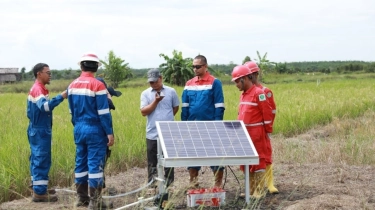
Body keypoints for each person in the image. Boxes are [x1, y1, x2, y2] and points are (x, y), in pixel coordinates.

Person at [67, 53, 114, 209]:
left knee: (80, 162)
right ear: (96, 67)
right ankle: (96, 202)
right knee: (95, 164)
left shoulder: (72, 85)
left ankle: (81, 198)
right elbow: (103, 112)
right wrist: (109, 132)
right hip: (95, 128)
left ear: (81, 66)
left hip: (79, 127)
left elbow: (71, 112)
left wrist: (78, 126)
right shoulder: (98, 85)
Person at [181, 55, 225, 188]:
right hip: (192, 127)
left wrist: (217, 126)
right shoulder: (189, 84)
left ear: (205, 66)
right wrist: (184, 126)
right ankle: (193, 182)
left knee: (215, 155)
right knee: (193, 156)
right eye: (193, 66)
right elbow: (185, 106)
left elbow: (219, 106)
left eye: (198, 66)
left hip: (210, 127)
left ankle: (217, 184)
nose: (195, 69)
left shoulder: (214, 82)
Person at [231, 65, 273, 198]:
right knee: (246, 162)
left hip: (256, 133)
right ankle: (250, 190)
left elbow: (267, 113)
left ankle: (259, 191)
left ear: (244, 78)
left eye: (237, 81)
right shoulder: (243, 95)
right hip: (244, 133)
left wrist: (266, 131)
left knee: (258, 160)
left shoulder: (259, 94)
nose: (236, 84)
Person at [27, 63, 67, 202]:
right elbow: (44, 107)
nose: (50, 75)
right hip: (39, 130)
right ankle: (39, 193)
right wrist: (61, 96)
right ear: (39, 74)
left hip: (37, 129)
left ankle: (38, 187)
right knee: (41, 159)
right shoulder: (38, 89)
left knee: (37, 158)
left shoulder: (41, 89)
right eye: (48, 72)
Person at [140, 68, 179, 191]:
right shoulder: (145, 94)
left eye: (155, 81)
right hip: (152, 133)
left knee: (168, 160)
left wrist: (167, 120)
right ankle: (152, 184)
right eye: (151, 82)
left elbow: (175, 108)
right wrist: (155, 102)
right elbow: (143, 111)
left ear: (161, 78)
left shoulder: (171, 91)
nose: (154, 84)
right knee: (152, 161)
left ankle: (169, 184)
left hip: (168, 133)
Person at [244, 61, 278, 194]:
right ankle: (254, 187)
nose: (249, 77)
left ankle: (269, 184)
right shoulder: (247, 92)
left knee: (265, 155)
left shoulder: (265, 92)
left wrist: (267, 128)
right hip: (251, 131)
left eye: (251, 74)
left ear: (256, 74)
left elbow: (271, 112)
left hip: (261, 130)